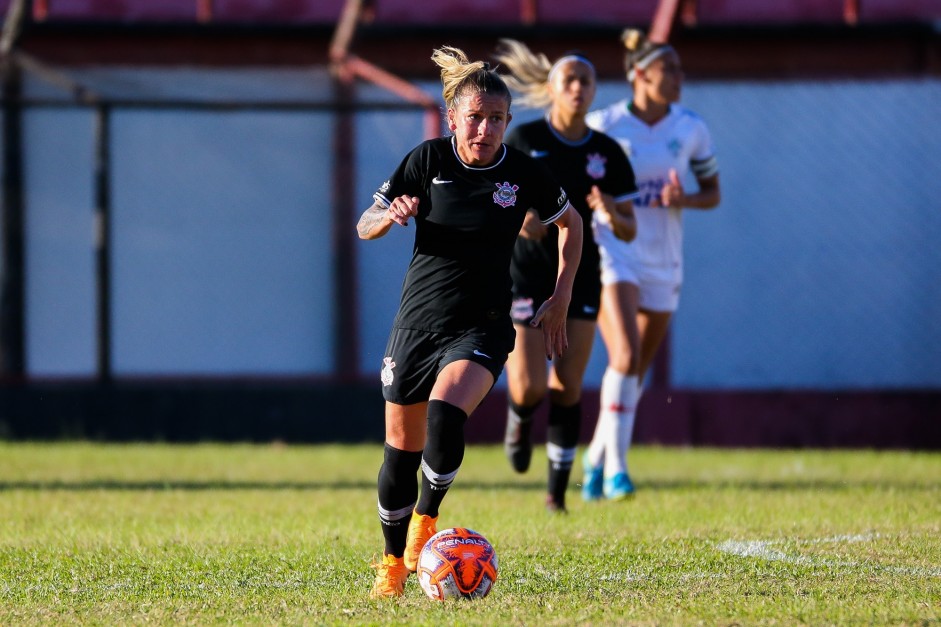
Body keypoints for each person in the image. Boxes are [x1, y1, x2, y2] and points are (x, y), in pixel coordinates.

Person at [357, 45, 583, 598]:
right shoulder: (427, 160)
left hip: (481, 324)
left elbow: (570, 224)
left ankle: (425, 523)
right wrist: (388, 216)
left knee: (444, 414)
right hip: (416, 323)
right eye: (475, 118)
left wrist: (559, 296)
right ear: (454, 117)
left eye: (497, 119)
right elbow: (365, 223)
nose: (485, 129)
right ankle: (391, 565)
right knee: (398, 452)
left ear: (508, 122)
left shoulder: (524, 172)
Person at [492, 40, 639, 513]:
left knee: (569, 385)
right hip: (526, 275)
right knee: (532, 385)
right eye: (569, 80)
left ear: (595, 90)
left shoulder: (608, 153)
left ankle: (556, 493)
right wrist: (520, 222)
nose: (578, 88)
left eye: (586, 81)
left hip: (580, 275)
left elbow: (630, 229)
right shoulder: (523, 141)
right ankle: (519, 417)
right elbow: (495, 202)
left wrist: (610, 213)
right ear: (552, 89)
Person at [581, 28, 721, 501]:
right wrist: (596, 202)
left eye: (680, 69)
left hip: (665, 257)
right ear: (639, 74)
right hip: (615, 250)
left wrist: (688, 198)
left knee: (637, 368)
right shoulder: (604, 126)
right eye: (669, 69)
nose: (679, 77)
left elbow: (713, 193)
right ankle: (619, 470)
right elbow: (573, 179)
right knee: (623, 355)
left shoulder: (691, 128)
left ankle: (596, 457)